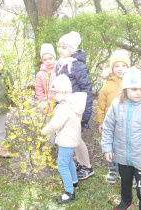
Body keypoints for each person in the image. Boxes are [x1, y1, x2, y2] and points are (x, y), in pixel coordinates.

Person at [101, 67, 141, 210]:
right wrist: (107, 148)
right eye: (134, 89)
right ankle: (127, 201)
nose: (138, 92)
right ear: (125, 89)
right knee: (125, 181)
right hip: (122, 154)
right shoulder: (116, 105)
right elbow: (108, 127)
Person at [41, 74, 87, 204]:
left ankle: (69, 193)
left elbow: (56, 124)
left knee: (62, 166)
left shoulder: (64, 107)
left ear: (63, 92)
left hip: (67, 140)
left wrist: (44, 131)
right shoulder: (73, 104)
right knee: (69, 162)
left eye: (55, 93)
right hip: (72, 138)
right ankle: (74, 182)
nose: (54, 96)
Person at [56, 31, 94, 179]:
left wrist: (85, 114)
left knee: (77, 139)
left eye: (64, 47)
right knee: (74, 139)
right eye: (59, 47)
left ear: (71, 49)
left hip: (76, 109)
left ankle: (87, 167)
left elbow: (86, 90)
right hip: (66, 108)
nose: (60, 50)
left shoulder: (78, 66)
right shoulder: (61, 64)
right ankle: (80, 163)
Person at [96, 50, 130, 184]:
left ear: (128, 67)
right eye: (117, 66)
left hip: (127, 122)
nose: (120, 69)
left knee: (126, 146)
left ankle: (127, 172)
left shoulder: (131, 82)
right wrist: (100, 122)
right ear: (112, 68)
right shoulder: (107, 84)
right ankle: (112, 169)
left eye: (123, 65)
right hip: (110, 123)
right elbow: (101, 105)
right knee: (112, 145)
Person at [35, 43, 57, 147]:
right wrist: (43, 102)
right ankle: (51, 141)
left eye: (50, 58)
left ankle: (62, 140)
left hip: (61, 102)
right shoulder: (40, 74)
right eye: (45, 59)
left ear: (54, 57)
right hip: (49, 104)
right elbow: (39, 91)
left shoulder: (60, 69)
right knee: (50, 123)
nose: (48, 61)